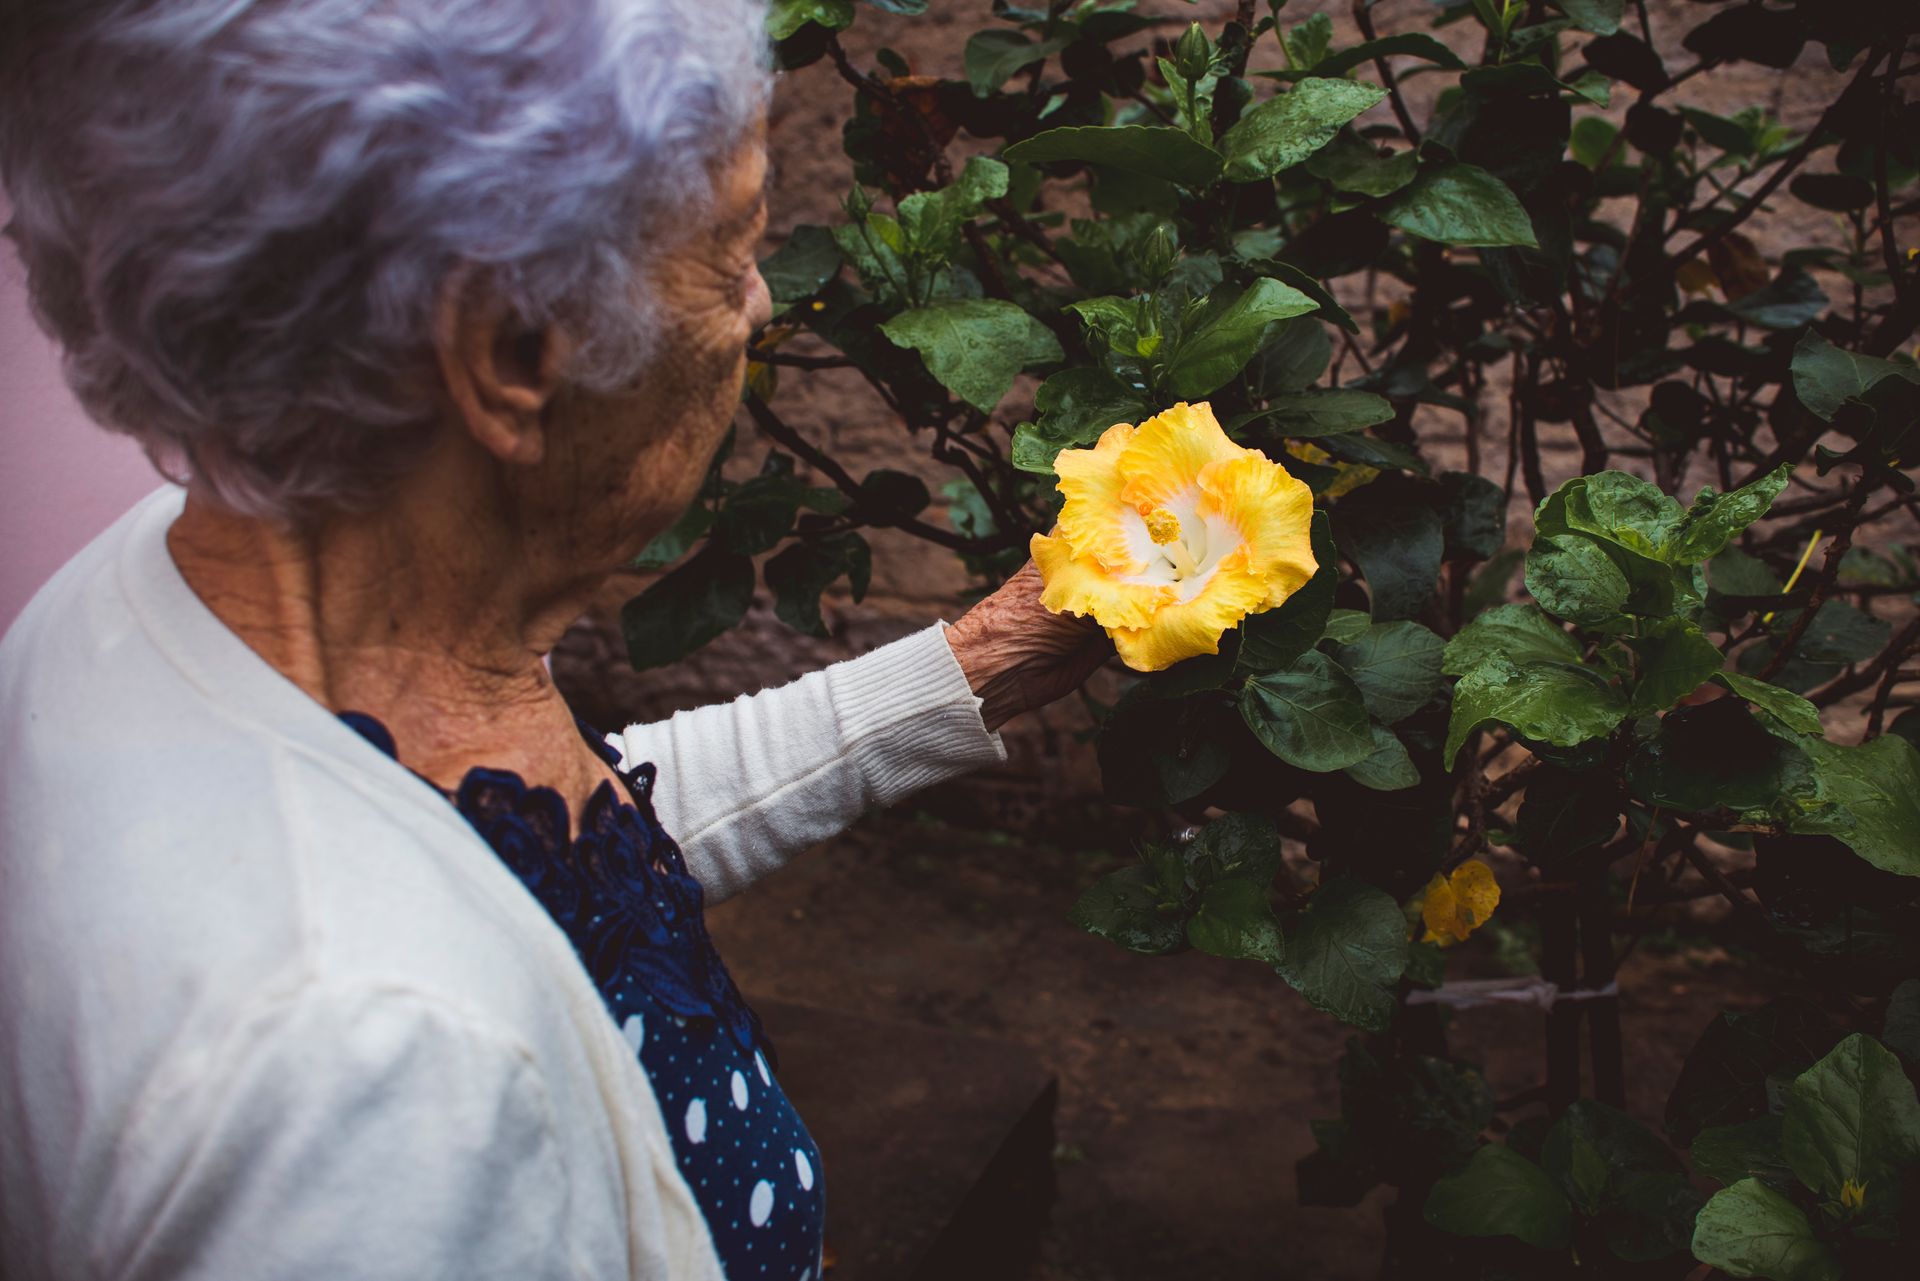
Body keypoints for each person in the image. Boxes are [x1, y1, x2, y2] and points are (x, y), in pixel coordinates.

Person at [0, 2, 1107, 1277]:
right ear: (516, 351)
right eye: (732, 246)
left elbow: (562, 862)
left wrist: (977, 660)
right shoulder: (377, 1083)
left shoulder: (178, 586)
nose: (755, 307)